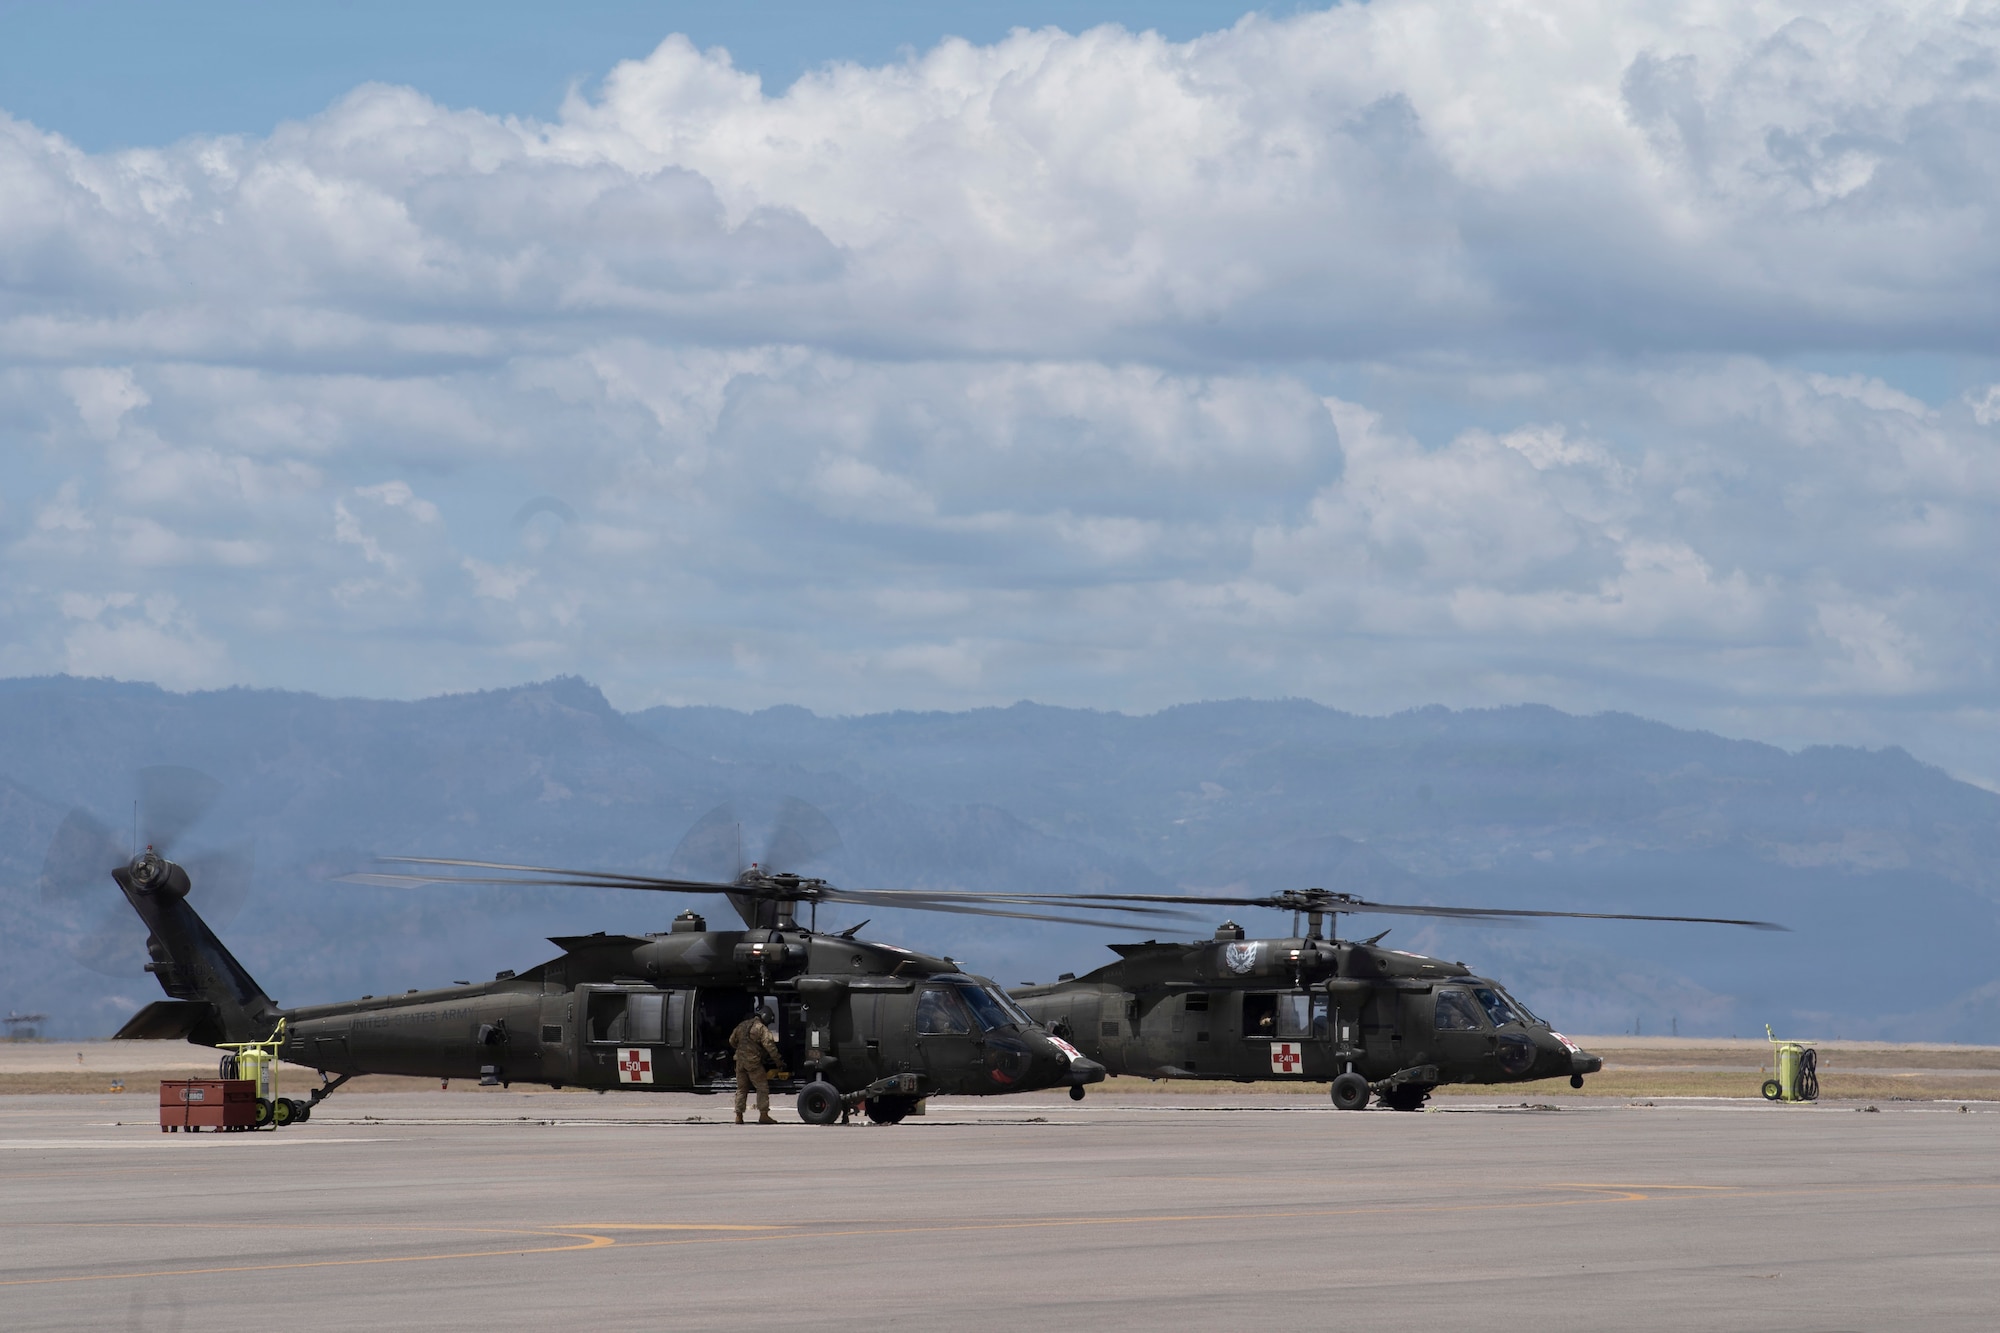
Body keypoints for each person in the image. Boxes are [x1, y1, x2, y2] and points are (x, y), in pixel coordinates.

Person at [730, 1004, 784, 1124]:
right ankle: (763, 1115)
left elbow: (732, 1040)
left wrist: (741, 1050)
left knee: (741, 1089)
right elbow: (770, 1046)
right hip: (753, 1063)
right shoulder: (761, 1028)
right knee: (762, 1088)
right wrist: (778, 1061)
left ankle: (738, 1116)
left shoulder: (742, 1025)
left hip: (739, 1062)